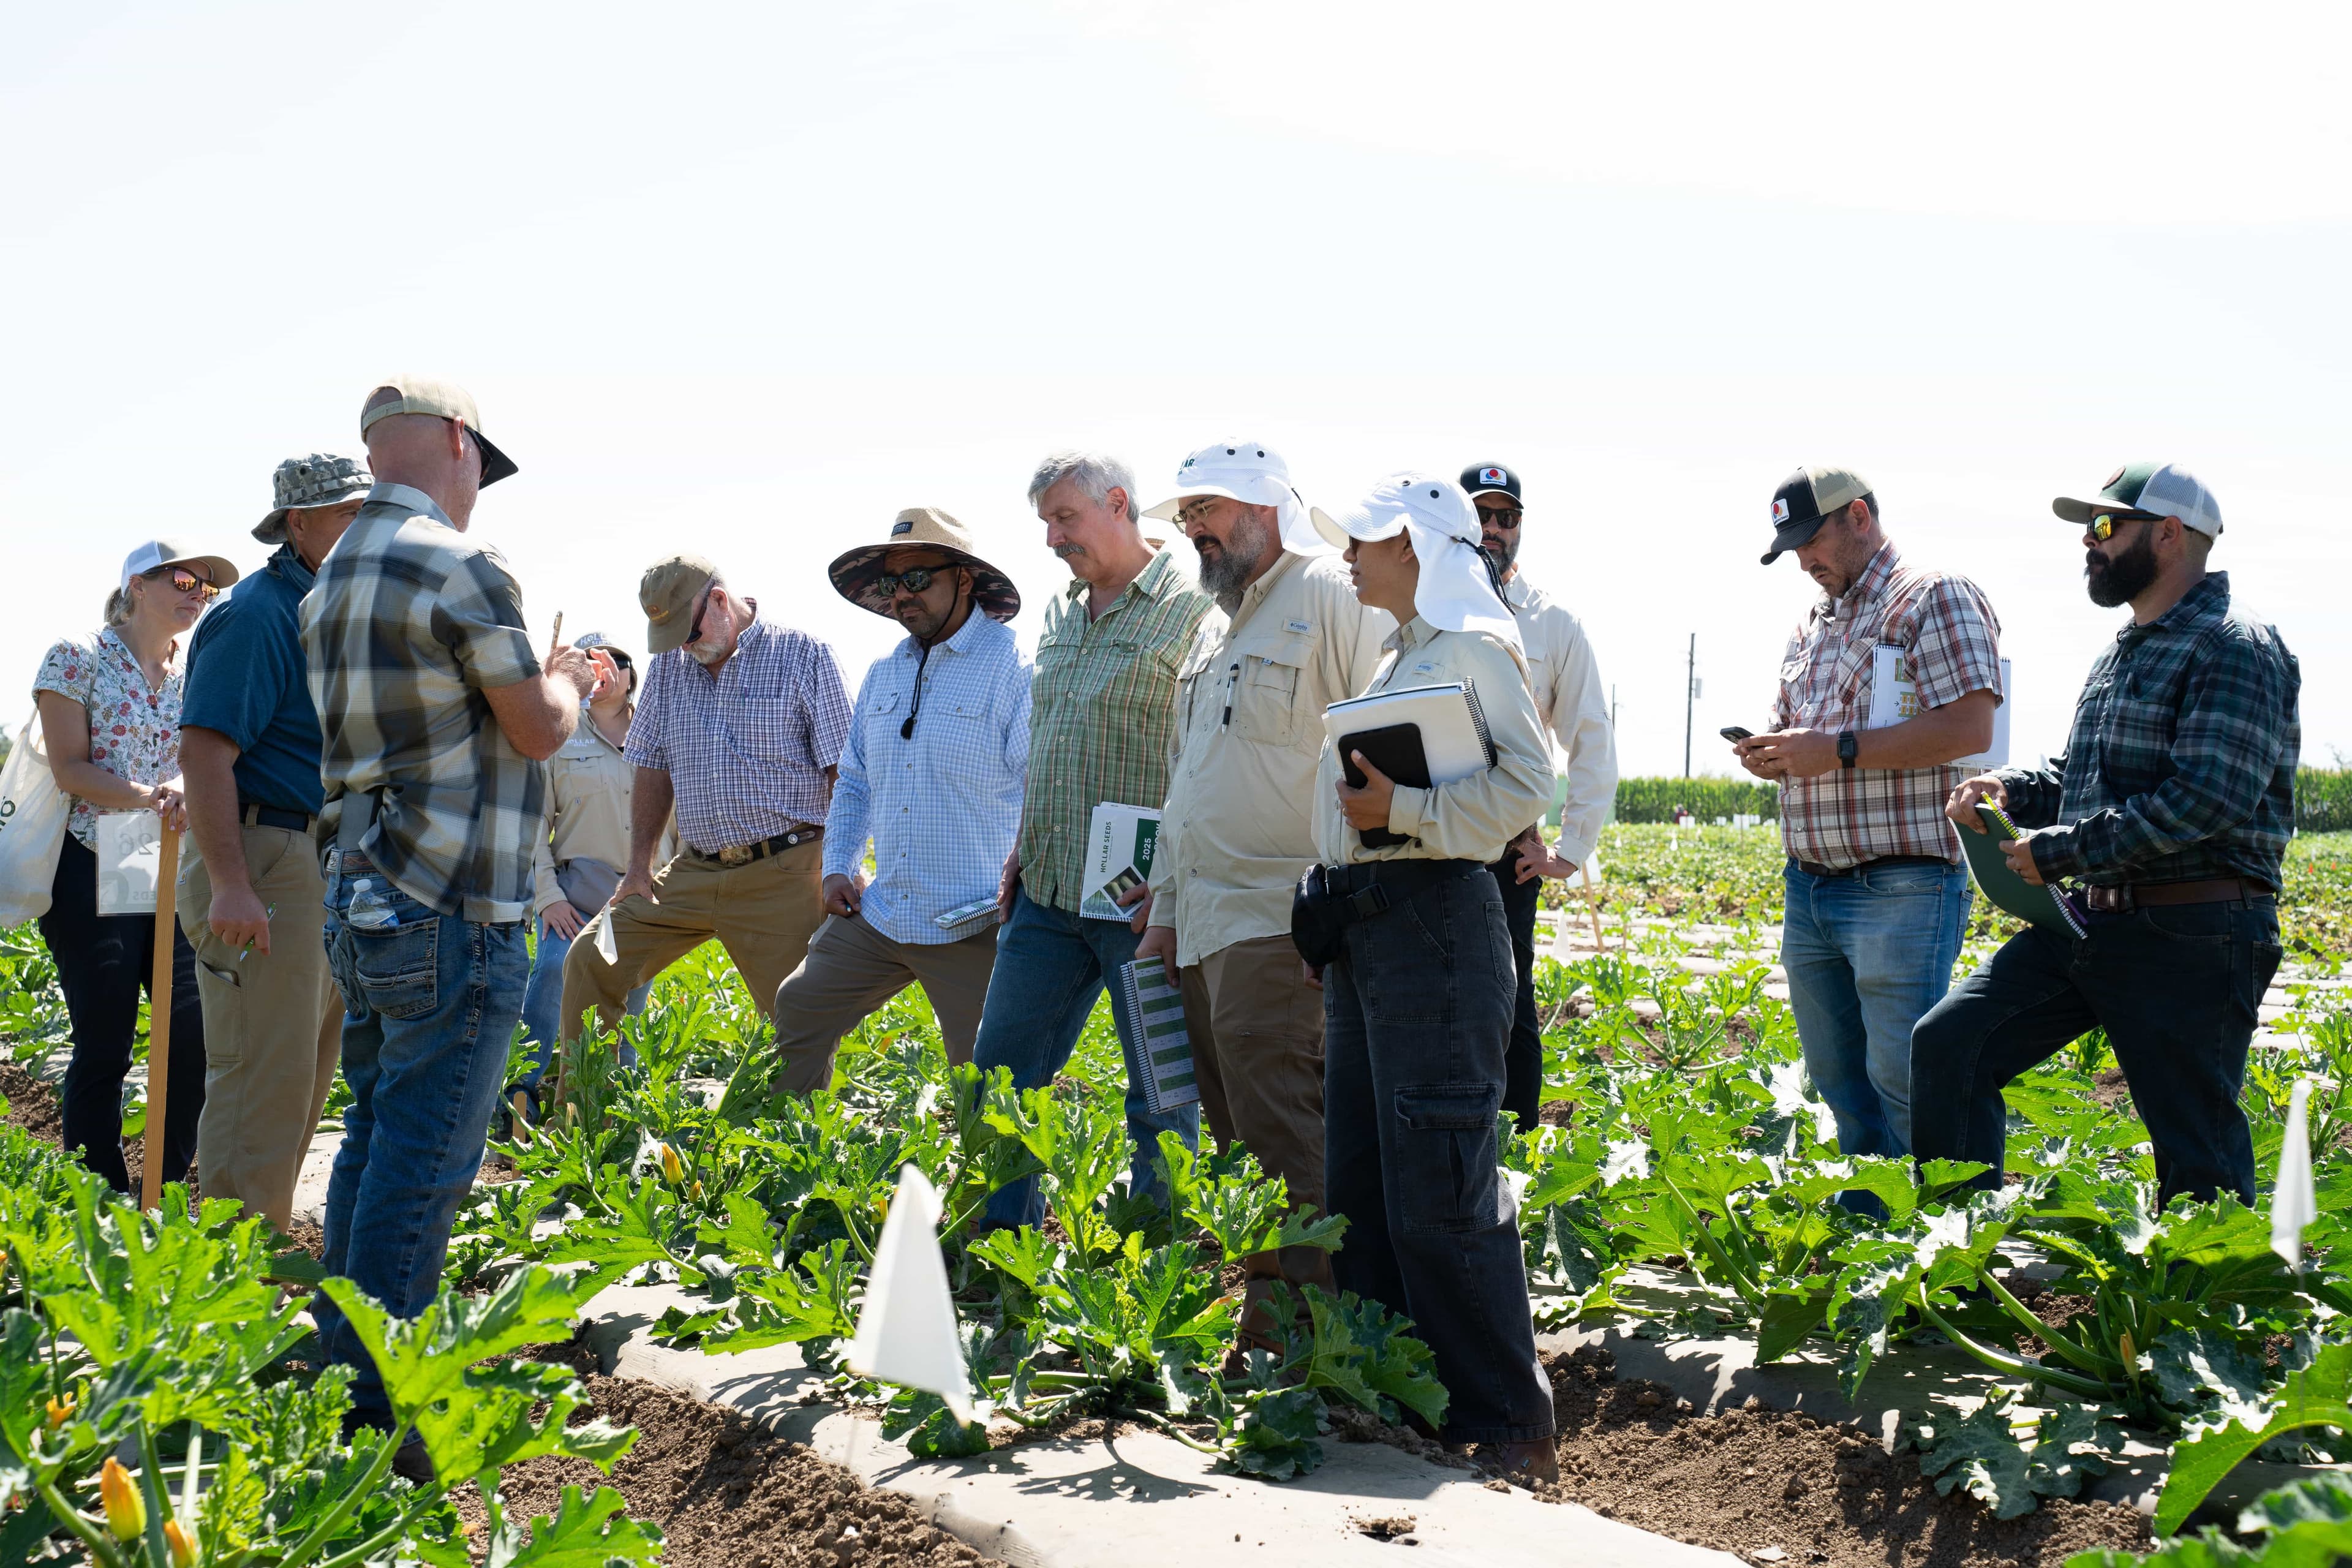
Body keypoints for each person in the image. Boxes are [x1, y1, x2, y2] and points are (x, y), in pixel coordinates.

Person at [304, 377, 602, 1470]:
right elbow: (536, 731)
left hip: (362, 888)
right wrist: (567, 682)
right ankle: (383, 1425)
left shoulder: (329, 577)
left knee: (375, 1134)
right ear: (459, 445)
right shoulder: (460, 564)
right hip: (453, 896)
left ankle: (336, 1377)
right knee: (426, 1162)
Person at [1919, 464, 2297, 1207]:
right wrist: (2012, 789)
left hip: (2191, 930)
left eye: (2104, 526)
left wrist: (2061, 851)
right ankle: (1955, 1249)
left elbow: (2205, 801)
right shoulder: (2126, 648)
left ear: (2169, 534)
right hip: (2092, 921)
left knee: (2195, 1148)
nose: (2088, 543)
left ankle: (2215, 1282)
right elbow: (2083, 773)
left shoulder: (2234, 645)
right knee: (1952, 1042)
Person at [1302, 472, 1557, 1481]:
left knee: (1442, 1185)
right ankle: (1402, 1401)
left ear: (1414, 544)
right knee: (1364, 1182)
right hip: (1376, 932)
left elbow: (1528, 784)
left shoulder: (1475, 648)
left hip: (1439, 927)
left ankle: (1508, 1424)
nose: (1348, 556)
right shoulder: (1402, 653)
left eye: (1363, 540)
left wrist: (1403, 814)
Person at [1126, 441, 1388, 1321]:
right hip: (1205, 922)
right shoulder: (1214, 629)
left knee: (1282, 1132)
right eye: (1187, 515)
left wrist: (1347, 911)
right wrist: (1165, 912)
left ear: (1265, 508)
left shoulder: (1332, 596)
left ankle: (1308, 1329)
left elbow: (1383, 747)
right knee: (1238, 1139)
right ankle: (1281, 1315)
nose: (1192, 528)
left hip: (1281, 915)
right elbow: (1185, 784)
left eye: (1207, 509)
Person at [1733, 467, 2002, 1179]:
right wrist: (1776, 754)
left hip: (1901, 885)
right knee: (1841, 1086)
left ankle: (1950, 1226)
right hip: (1810, 887)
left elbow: (1971, 727)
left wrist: (1836, 750)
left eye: (1811, 541)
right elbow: (1809, 739)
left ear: (1858, 516)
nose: (1804, 561)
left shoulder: (1932, 596)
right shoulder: (1812, 624)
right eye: (1792, 548)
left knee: (1908, 1080)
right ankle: (1873, 1224)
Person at [971, 451, 1212, 1229]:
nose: (1052, 539)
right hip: (1046, 892)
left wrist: (1175, 882)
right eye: (1046, 522)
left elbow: (1208, 755)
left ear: (1117, 504)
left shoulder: (1195, 610)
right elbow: (1051, 739)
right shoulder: (1060, 612)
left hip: (1141, 902)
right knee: (1001, 1077)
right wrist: (1023, 843)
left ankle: (1156, 1257)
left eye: (1064, 518)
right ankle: (1004, 1245)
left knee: (1160, 1092)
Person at [769, 509, 1031, 1091]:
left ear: (964, 579)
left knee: (986, 1079)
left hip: (973, 918)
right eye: (892, 584)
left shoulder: (1012, 669)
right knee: (801, 1004)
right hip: (885, 911)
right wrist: (838, 866)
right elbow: (855, 781)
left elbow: (1039, 787)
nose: (902, 596)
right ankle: (790, 1144)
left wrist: (1023, 885)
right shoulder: (884, 673)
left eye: (917, 579)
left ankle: (989, 1158)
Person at [176, 456, 365, 1230]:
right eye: (348, 513)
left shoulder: (326, 607)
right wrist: (230, 882)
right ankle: (226, 1276)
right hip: (261, 855)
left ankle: (259, 1257)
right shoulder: (257, 613)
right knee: (259, 1077)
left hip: (310, 860)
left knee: (299, 1084)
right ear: (299, 523)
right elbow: (203, 751)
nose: (365, 527)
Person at [558, 555, 850, 1049]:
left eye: (687, 633)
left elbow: (844, 773)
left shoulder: (805, 655)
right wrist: (638, 869)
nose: (683, 647)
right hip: (695, 870)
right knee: (592, 960)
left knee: (795, 1026)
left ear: (719, 601)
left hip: (785, 869)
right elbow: (653, 765)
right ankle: (589, 1098)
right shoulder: (670, 667)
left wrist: (842, 863)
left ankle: (795, 1104)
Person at [33, 540, 235, 1194]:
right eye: (183, 580)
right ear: (137, 586)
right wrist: (153, 795)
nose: (197, 595)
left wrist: (181, 785)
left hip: (170, 865)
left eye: (206, 588)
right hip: (93, 859)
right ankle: (101, 1198)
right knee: (105, 1040)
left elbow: (210, 758)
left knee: (192, 1036)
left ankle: (163, 1191)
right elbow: (70, 769)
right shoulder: (77, 656)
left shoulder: (196, 673)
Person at [1458, 462, 1618, 1133]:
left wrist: (1570, 849)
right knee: (1430, 1002)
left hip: (1507, 854)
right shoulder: (1416, 606)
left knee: (1511, 1003)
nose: (1494, 529)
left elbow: (1592, 736)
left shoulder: (1553, 623)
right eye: (1481, 515)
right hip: (1419, 840)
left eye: (1507, 517)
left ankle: (1514, 1155)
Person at [514, 632, 667, 1101]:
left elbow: (683, 824)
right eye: (588, 658)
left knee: (626, 1011)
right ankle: (520, 1099)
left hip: (641, 901)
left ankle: (614, 1112)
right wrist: (548, 898)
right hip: (574, 900)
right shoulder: (559, 734)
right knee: (551, 979)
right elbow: (535, 823)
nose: (603, 665)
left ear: (631, 675)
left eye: (615, 658)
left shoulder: (659, 735)